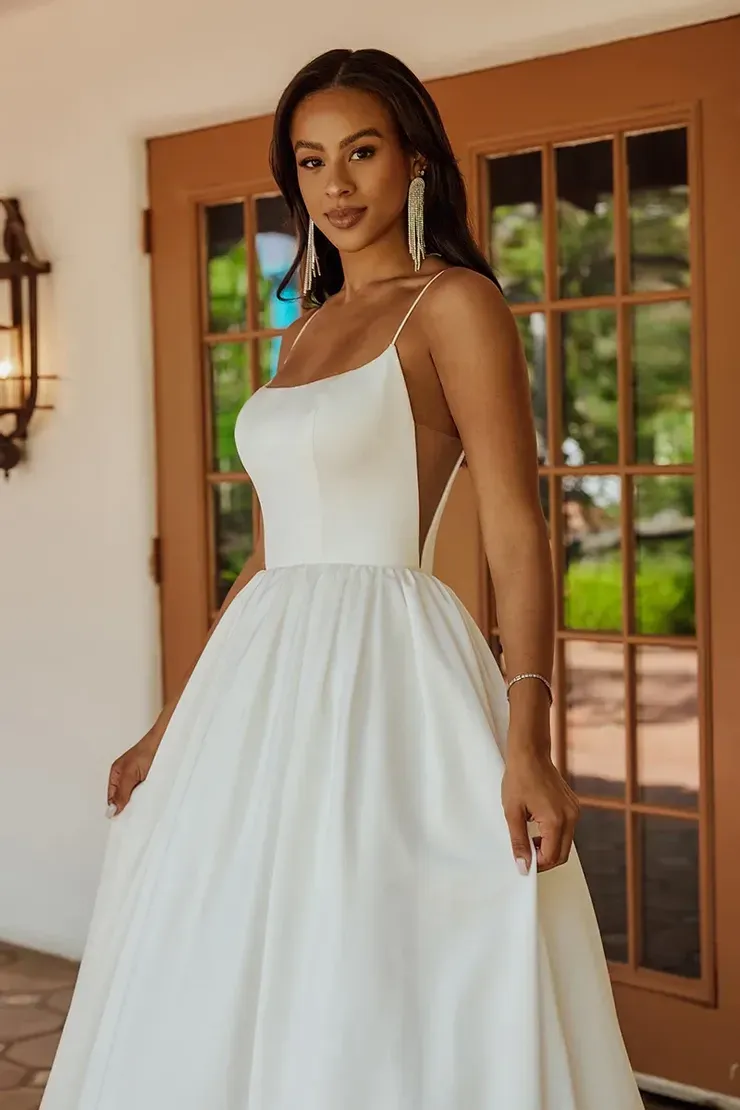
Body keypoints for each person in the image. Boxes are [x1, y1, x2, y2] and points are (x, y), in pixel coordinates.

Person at [40, 47, 644, 1110]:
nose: (336, 184)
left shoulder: (453, 306)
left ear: (413, 160)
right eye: (311, 162)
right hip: (262, 674)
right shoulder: (308, 325)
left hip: (387, 664)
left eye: (360, 152)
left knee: (375, 944)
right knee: (230, 937)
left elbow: (514, 526)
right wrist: (168, 726)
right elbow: (271, 554)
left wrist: (527, 737)